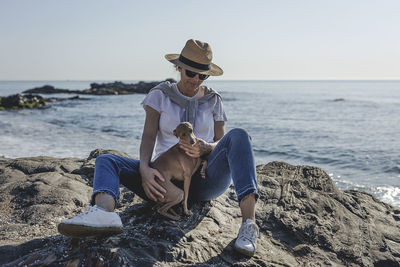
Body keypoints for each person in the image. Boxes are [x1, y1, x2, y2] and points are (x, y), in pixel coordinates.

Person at [58, 39, 259, 256]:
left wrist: (206, 147)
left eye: (203, 75)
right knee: (107, 160)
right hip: (162, 181)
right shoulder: (160, 95)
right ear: (179, 67)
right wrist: (144, 168)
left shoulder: (213, 99)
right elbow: (148, 136)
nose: (196, 80)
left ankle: (249, 225)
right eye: (191, 73)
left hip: (205, 180)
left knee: (239, 135)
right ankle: (103, 212)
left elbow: (222, 142)